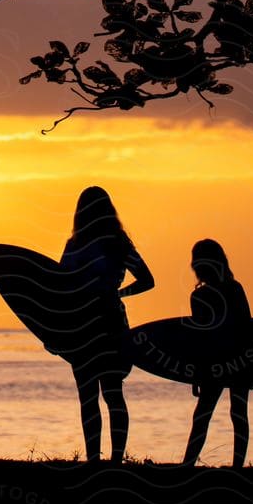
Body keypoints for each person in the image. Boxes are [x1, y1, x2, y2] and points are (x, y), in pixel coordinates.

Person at [58, 186, 154, 464]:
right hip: (100, 321)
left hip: (92, 323)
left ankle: (102, 460)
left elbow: (62, 284)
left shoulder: (84, 245)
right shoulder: (113, 242)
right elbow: (146, 280)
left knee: (95, 395)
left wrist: (117, 294)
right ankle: (108, 459)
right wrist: (116, 293)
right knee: (108, 393)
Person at [181, 238, 253, 468]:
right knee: (235, 412)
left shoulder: (206, 294)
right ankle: (236, 466)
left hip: (221, 360)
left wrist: (197, 372)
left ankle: (188, 464)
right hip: (234, 359)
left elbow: (200, 338)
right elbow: (245, 326)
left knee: (206, 414)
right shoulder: (231, 289)